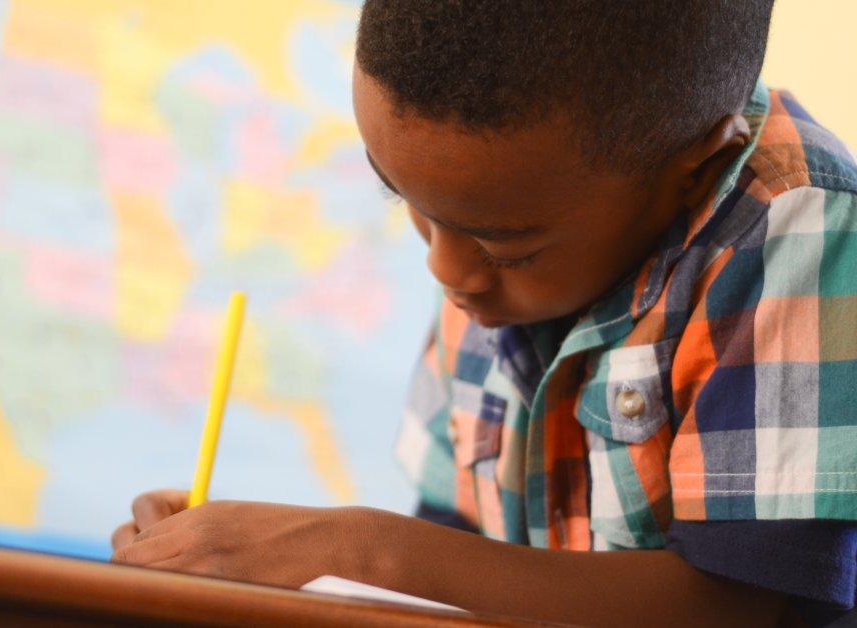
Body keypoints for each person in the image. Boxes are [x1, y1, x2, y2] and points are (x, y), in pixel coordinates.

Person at [111, 1, 857, 624]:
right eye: (405, 201)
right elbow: (455, 559)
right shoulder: (494, 241)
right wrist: (246, 561)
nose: (445, 269)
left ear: (692, 165)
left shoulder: (799, 225)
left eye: (507, 248)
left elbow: (745, 607)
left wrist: (357, 549)